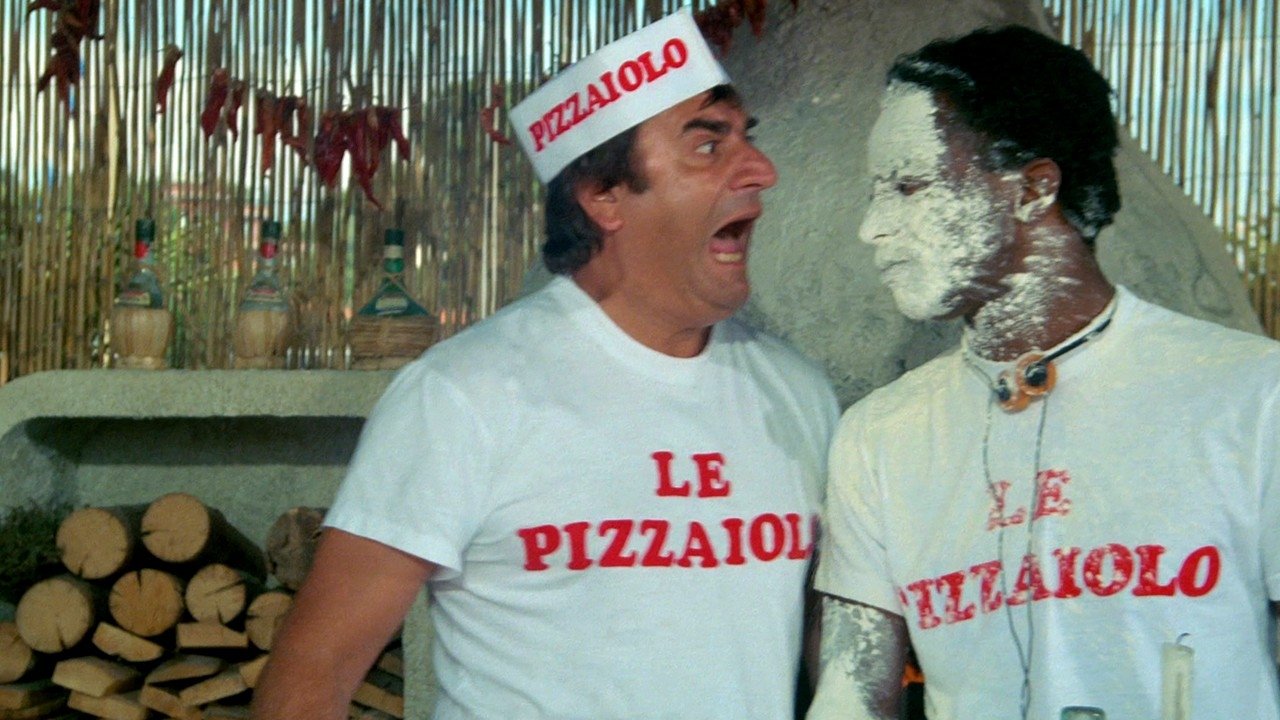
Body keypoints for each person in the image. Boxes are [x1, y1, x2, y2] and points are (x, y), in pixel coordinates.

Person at [252, 8, 838, 720]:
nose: (762, 171)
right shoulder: (462, 396)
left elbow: (834, 668)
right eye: (709, 145)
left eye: (749, 139)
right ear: (604, 196)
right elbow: (308, 682)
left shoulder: (797, 396)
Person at [808, 25, 1280, 720]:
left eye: (908, 186)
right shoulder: (879, 435)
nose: (872, 227)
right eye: (877, 192)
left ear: (1034, 189)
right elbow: (851, 699)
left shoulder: (1251, 395)